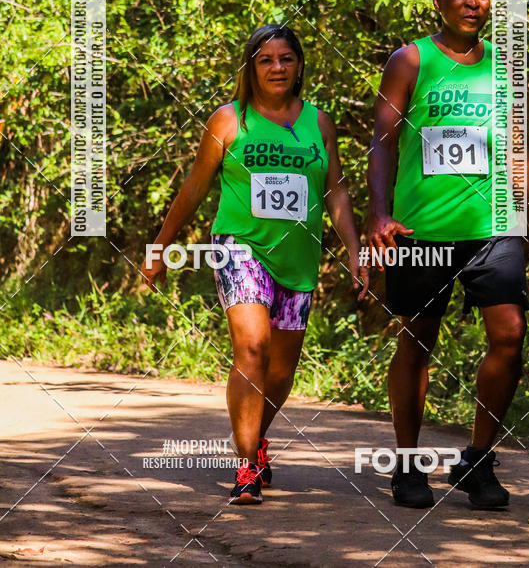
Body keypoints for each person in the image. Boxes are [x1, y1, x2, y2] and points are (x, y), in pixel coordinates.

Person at [142, 25, 366, 504]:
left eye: (286, 59)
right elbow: (195, 187)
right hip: (239, 246)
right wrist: (160, 245)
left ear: (299, 66)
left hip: (298, 254)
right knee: (252, 347)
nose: (277, 68)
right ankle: (245, 467)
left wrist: (353, 250)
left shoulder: (319, 123)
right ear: (251, 68)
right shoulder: (229, 120)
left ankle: (255, 438)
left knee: (281, 371)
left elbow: (337, 191)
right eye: (266, 60)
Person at [366, 0, 529, 509]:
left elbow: (520, 154)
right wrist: (379, 213)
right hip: (421, 229)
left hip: (492, 228)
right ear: (437, 2)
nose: (473, 3)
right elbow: (382, 142)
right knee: (418, 340)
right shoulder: (411, 60)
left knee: (509, 334)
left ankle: (477, 458)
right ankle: (407, 466)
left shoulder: (505, 68)